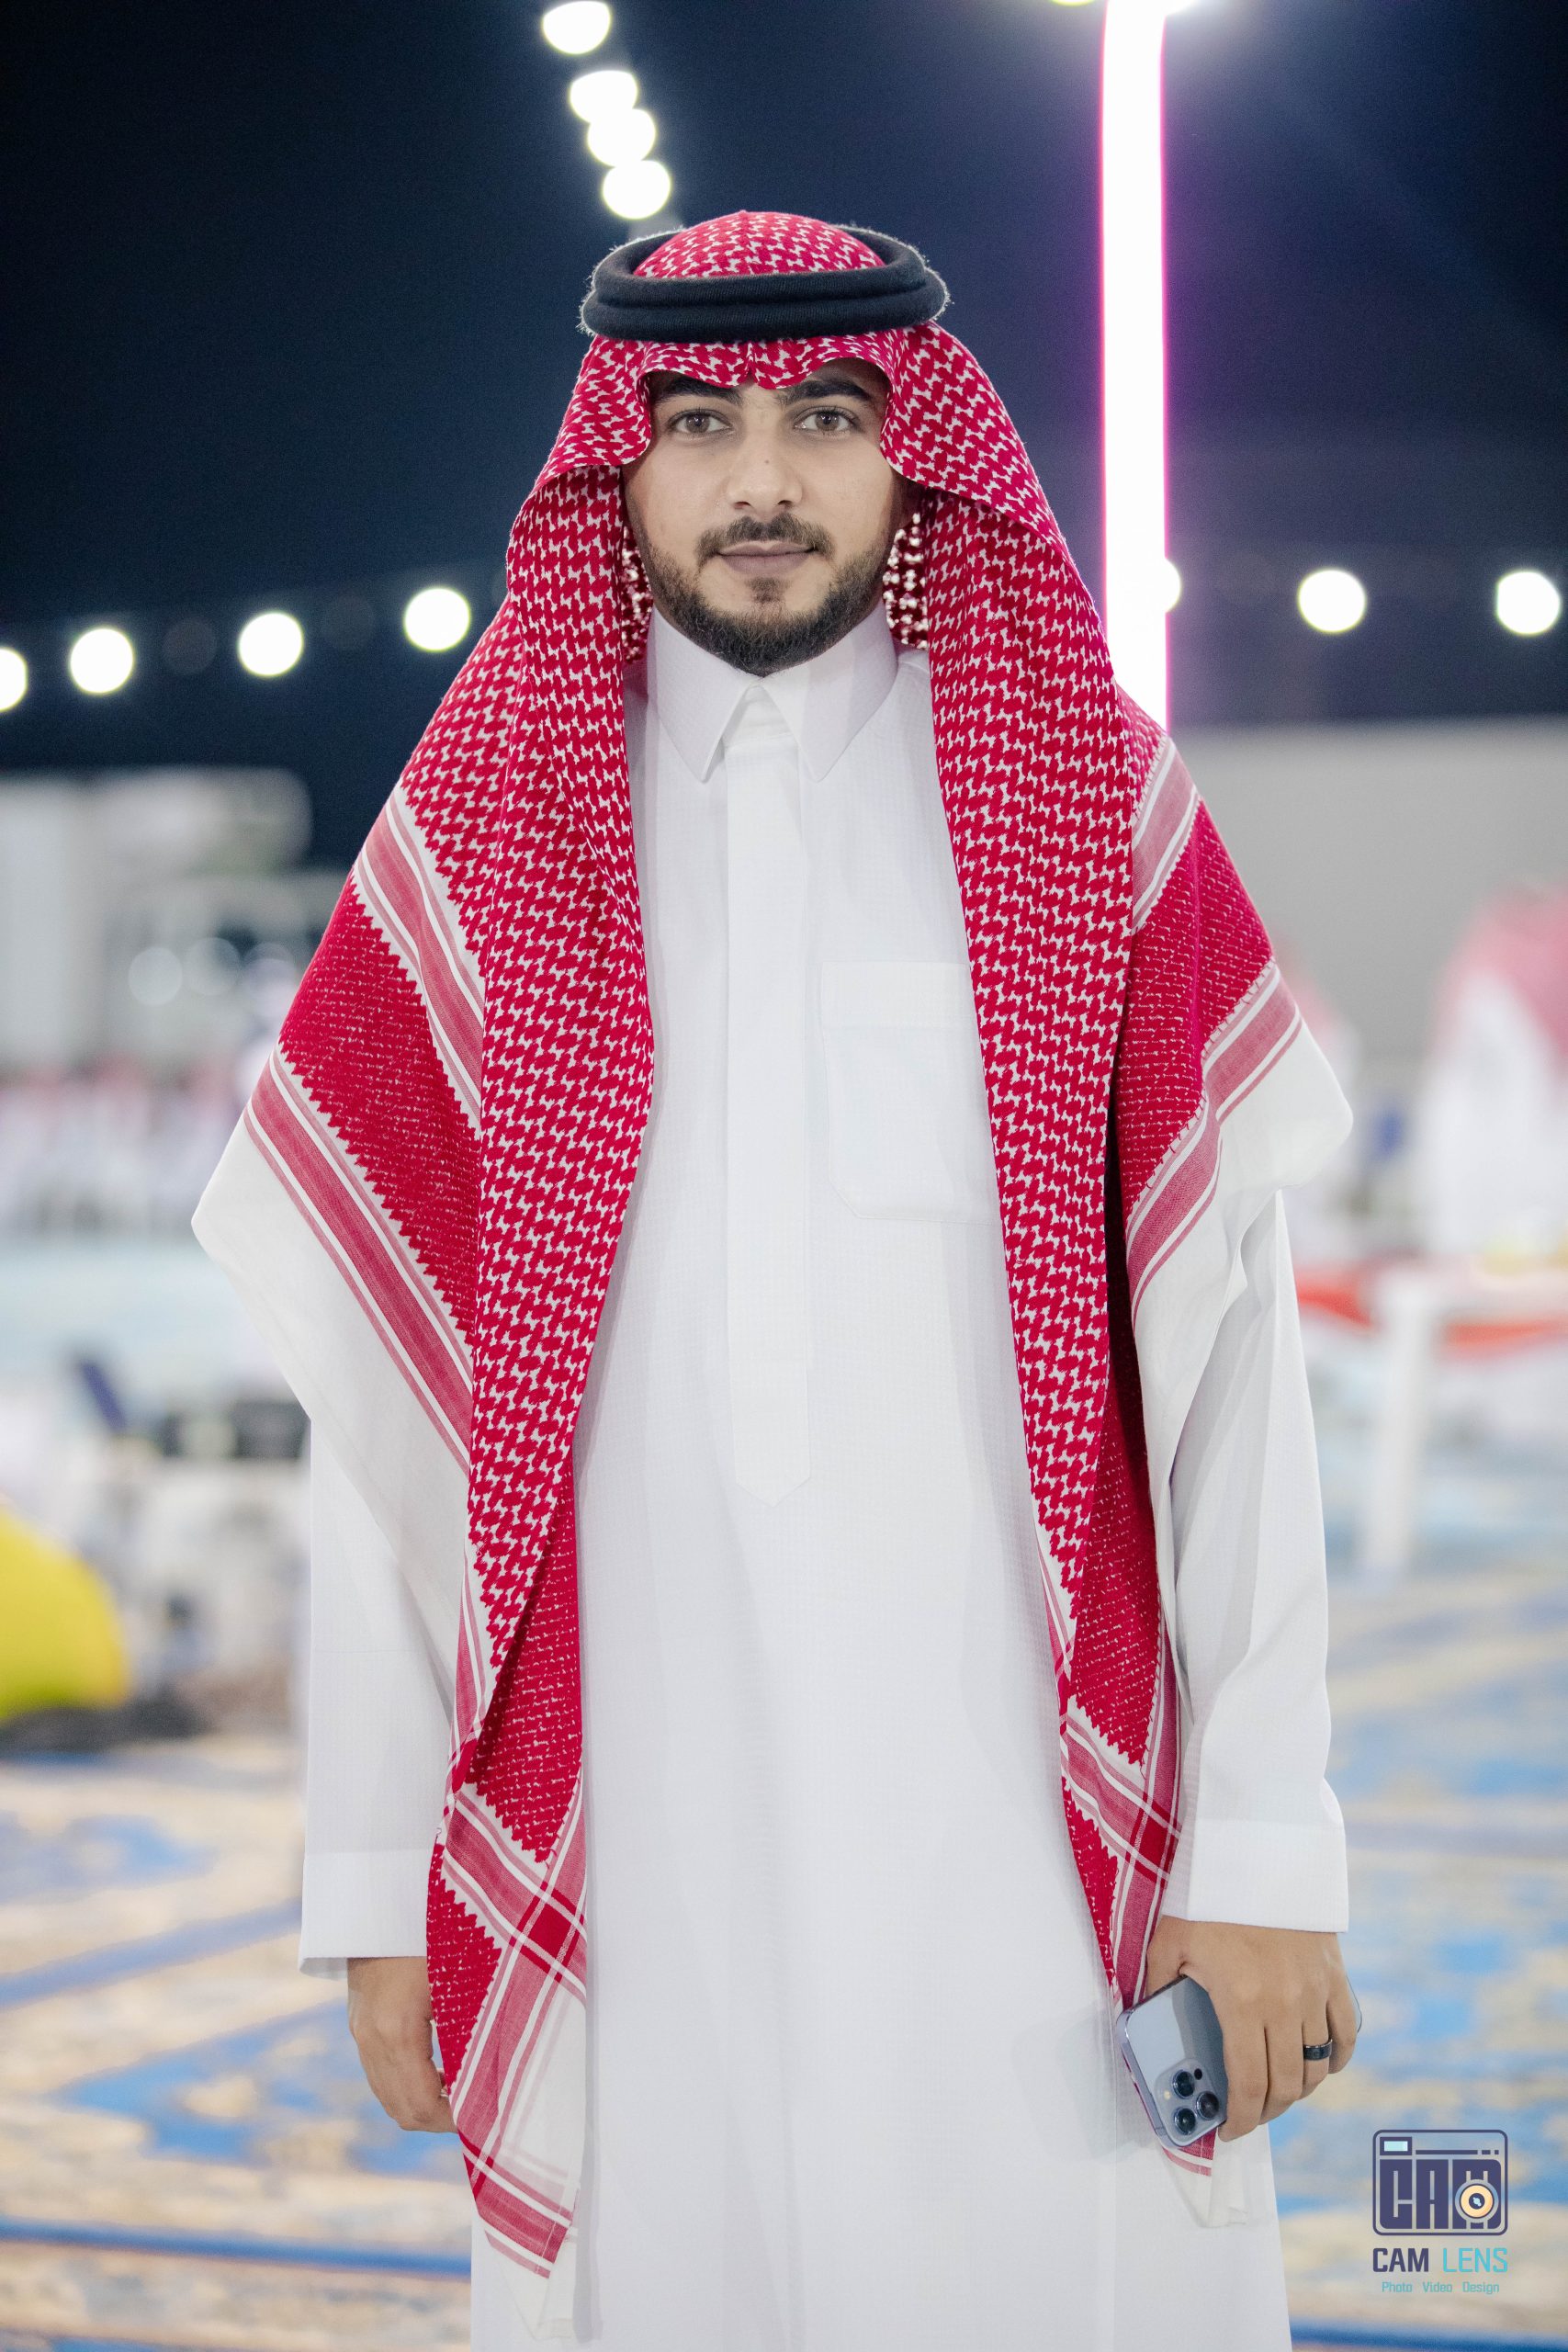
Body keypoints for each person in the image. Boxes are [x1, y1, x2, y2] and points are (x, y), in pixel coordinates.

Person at [195, 211, 1358, 2350]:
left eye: (823, 418)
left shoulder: (1082, 800)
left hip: (1019, 1823)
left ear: (910, 451)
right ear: (613, 462)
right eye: (698, 423)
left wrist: (1265, 1845)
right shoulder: (478, 833)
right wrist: (374, 1879)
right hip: (631, 1828)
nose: (760, 480)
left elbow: (1226, 1372)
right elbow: (389, 1420)